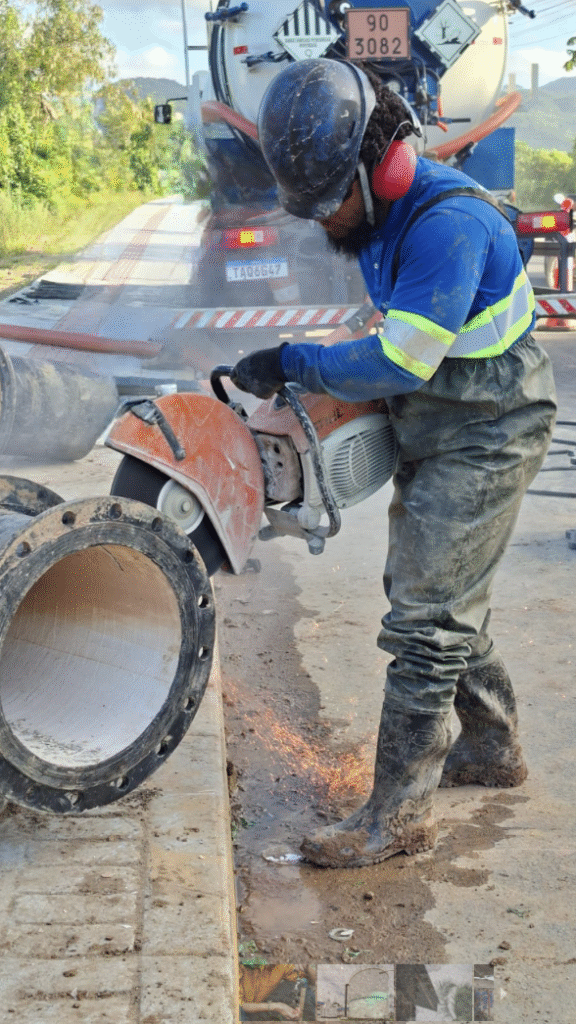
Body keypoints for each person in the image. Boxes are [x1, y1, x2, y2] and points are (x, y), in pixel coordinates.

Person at [230, 58, 557, 869]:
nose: (323, 221)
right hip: (444, 417)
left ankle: (396, 818)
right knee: (430, 594)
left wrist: (296, 361)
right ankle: (492, 749)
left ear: (386, 169)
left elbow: (401, 361)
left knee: (426, 619)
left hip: (489, 423)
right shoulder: (379, 220)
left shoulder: (448, 224)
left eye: (330, 200)